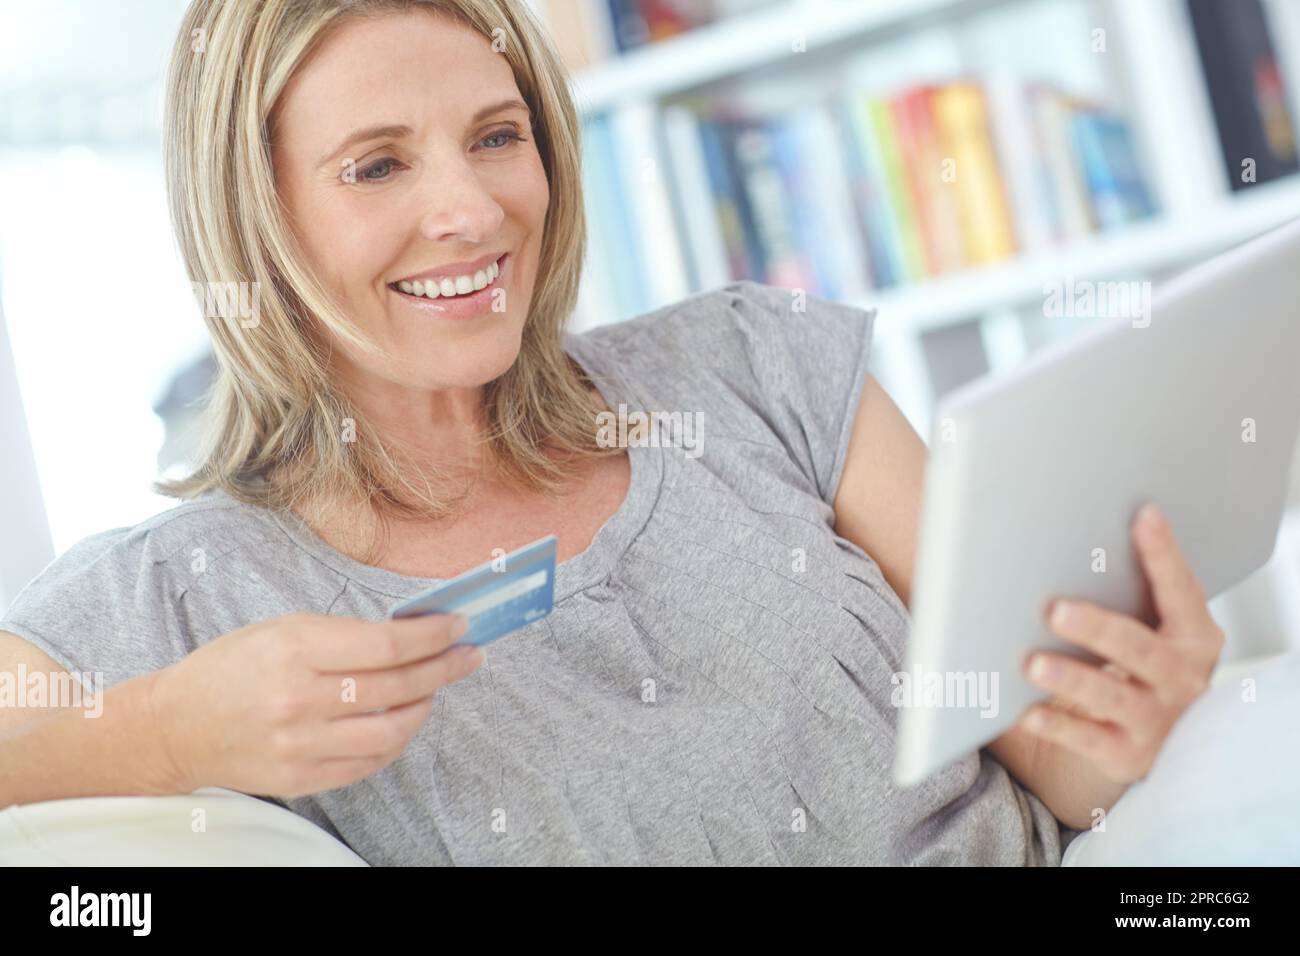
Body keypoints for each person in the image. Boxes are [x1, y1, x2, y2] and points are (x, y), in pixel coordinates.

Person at [0, 0, 1226, 865]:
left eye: (496, 135)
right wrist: (167, 729)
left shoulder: (757, 365)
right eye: (376, 167)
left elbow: (1052, 770)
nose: (472, 209)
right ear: (256, 223)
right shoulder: (189, 588)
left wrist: (1118, 725)